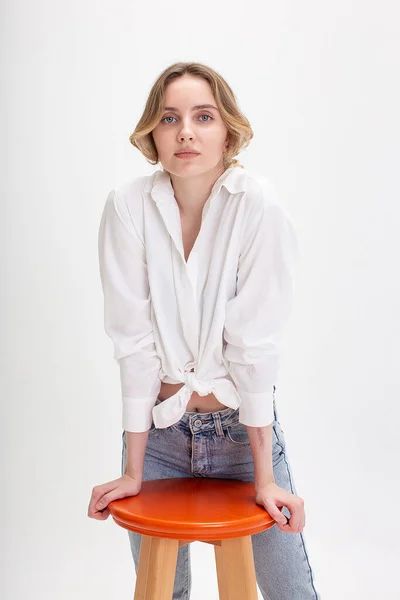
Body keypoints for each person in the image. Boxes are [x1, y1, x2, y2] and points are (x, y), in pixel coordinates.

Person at [88, 62, 320, 599]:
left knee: (291, 592)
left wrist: (264, 479)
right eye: (169, 118)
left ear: (228, 131)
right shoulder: (127, 207)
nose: (186, 131)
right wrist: (133, 467)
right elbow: (132, 342)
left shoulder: (257, 204)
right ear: (152, 133)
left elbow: (256, 346)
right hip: (162, 436)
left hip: (242, 436)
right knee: (165, 592)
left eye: (203, 116)